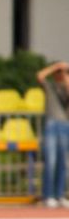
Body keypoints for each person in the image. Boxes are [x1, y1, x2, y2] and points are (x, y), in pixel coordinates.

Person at [37, 61, 69, 207]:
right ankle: (48, 195)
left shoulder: (66, 86)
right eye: (59, 72)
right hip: (51, 124)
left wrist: (65, 75)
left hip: (64, 124)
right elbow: (40, 76)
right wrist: (55, 67)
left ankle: (59, 195)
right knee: (51, 161)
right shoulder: (50, 86)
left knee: (62, 162)